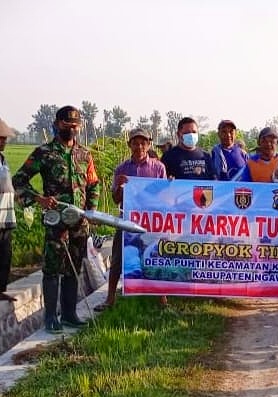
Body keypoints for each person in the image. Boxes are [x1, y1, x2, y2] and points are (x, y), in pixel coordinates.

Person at [13, 106, 100, 333]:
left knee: (74, 267)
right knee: (52, 269)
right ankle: (51, 317)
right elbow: (19, 180)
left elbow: (93, 184)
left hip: (79, 222)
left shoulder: (85, 154)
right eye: (66, 124)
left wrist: (91, 211)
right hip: (55, 222)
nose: (71, 129)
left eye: (75, 125)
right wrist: (38, 199)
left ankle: (70, 314)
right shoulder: (44, 153)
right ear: (57, 124)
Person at [94, 128, 167, 312]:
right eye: (135, 143)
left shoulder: (158, 168)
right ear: (129, 145)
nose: (139, 146)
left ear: (148, 145)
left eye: (143, 143)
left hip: (151, 221)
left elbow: (163, 196)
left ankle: (162, 299)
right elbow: (116, 199)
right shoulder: (122, 169)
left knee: (155, 256)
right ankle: (110, 299)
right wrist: (119, 185)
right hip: (126, 220)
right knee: (118, 258)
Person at [0, 119, 17, 302]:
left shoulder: (3, 159)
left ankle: (1, 288)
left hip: (5, 213)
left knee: (5, 254)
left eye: (4, 138)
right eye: (1, 138)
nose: (4, 142)